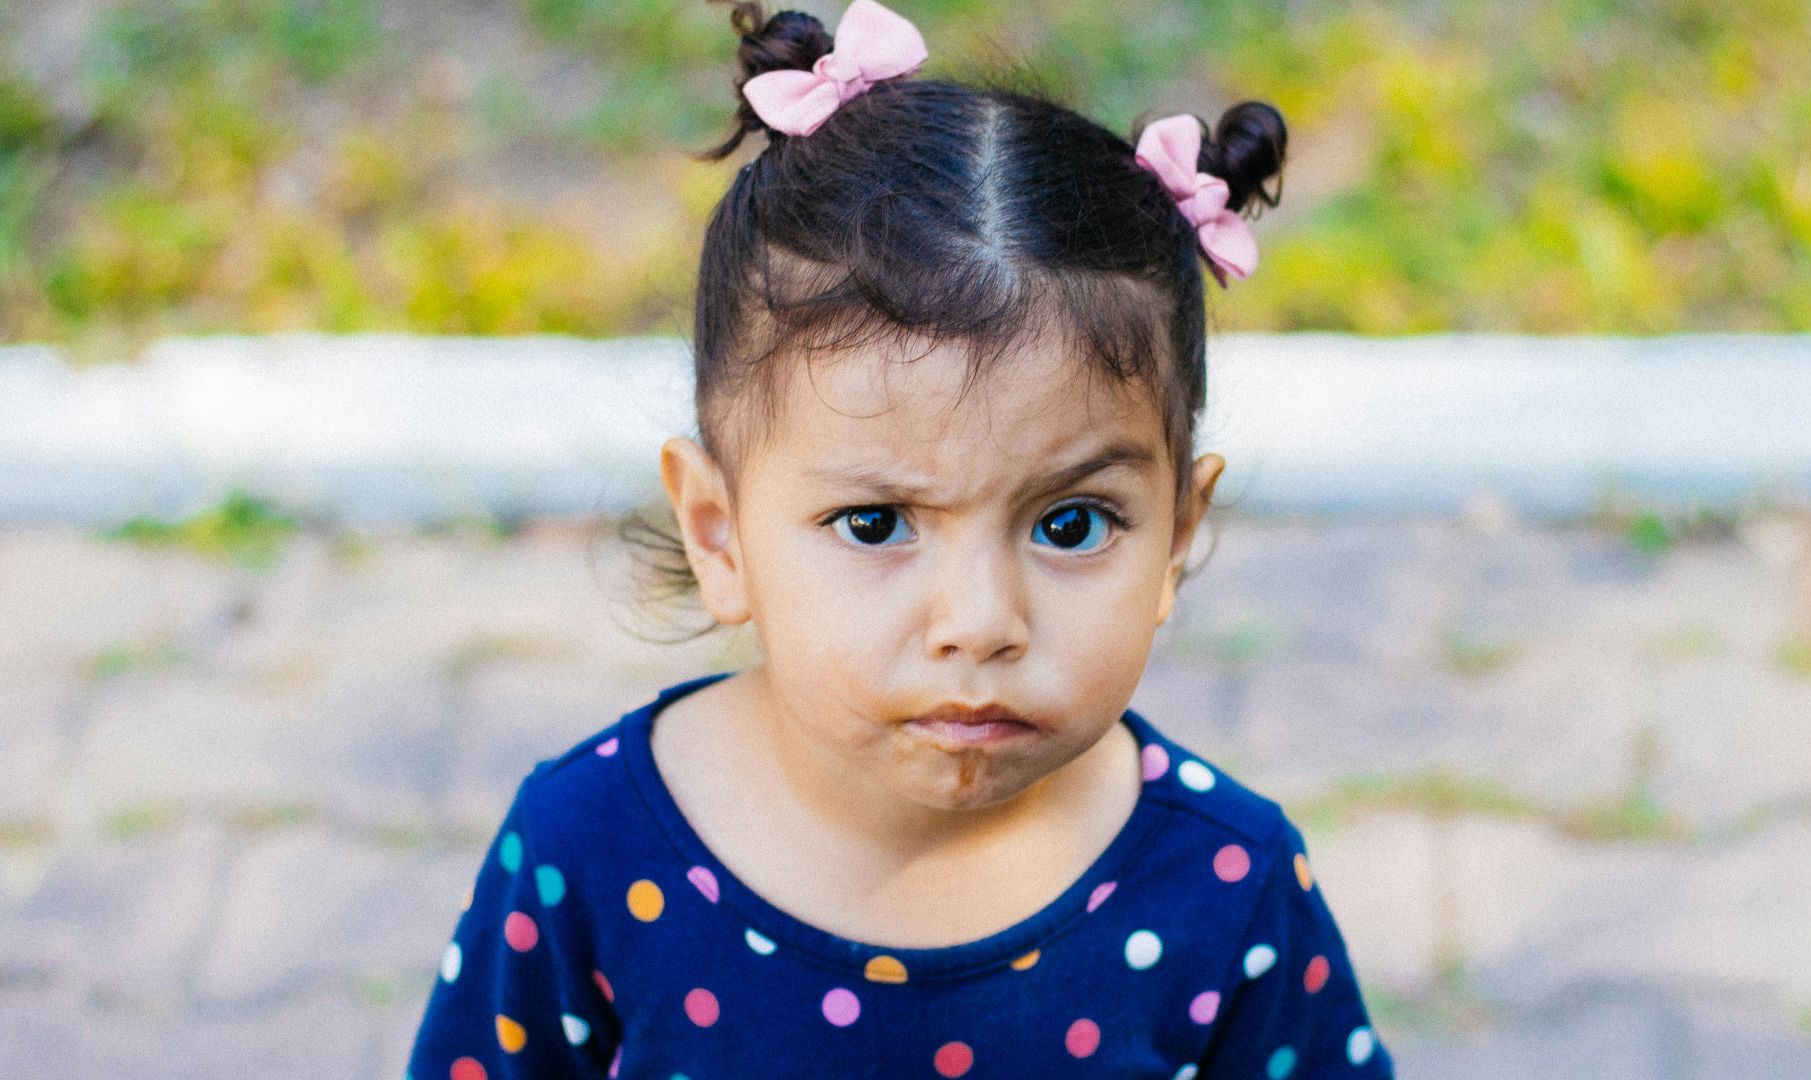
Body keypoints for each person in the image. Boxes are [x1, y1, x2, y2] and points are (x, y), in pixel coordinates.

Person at [406, 1, 1393, 1077]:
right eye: (874, 524)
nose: (979, 623)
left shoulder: (1225, 885)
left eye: (1071, 525)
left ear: (1176, 537)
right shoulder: (586, 850)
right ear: (719, 532)